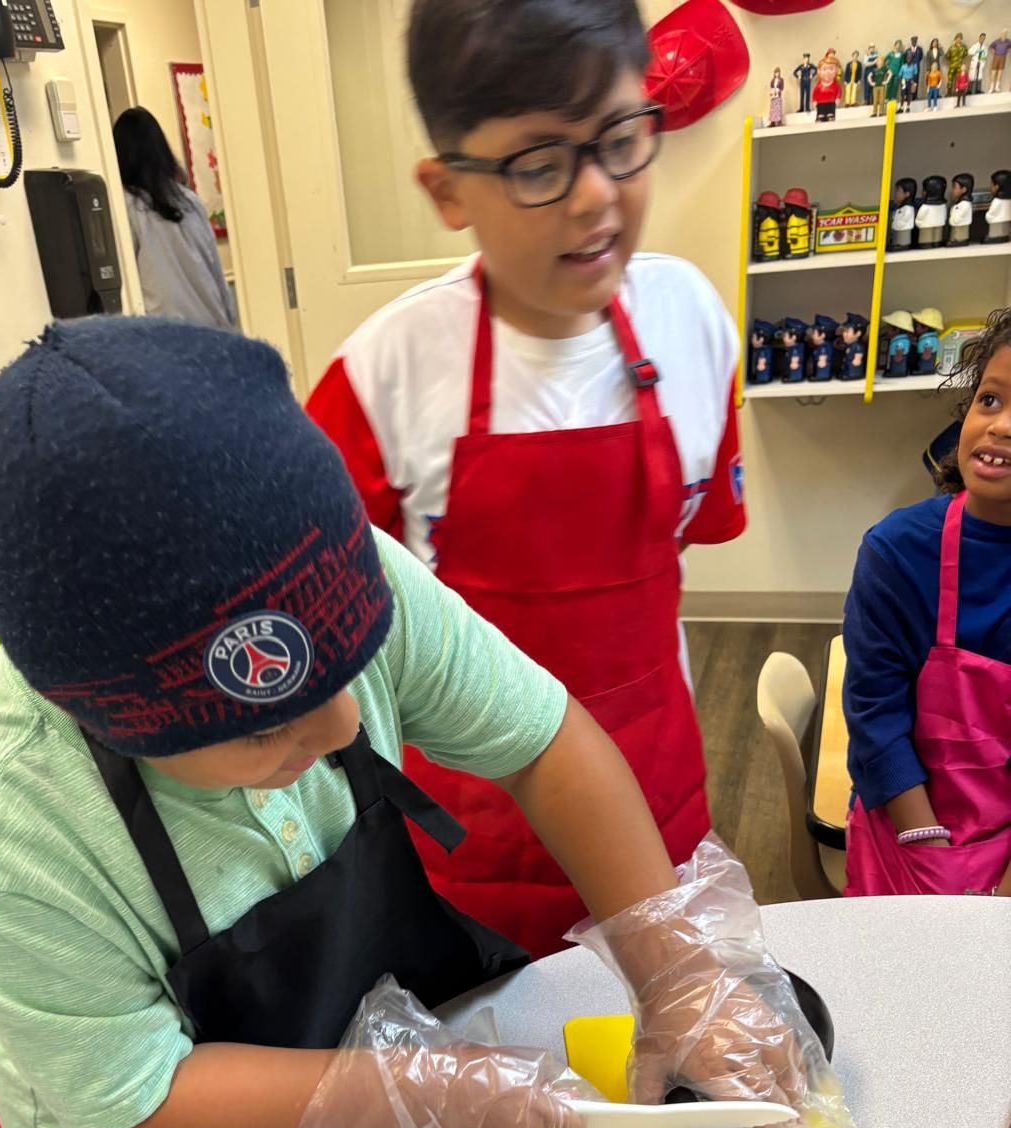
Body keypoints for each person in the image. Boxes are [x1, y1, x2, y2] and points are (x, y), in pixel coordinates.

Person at [0, 317, 806, 1128]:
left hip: (374, 1071)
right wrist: (408, 1097)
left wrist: (676, 974)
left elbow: (543, 743)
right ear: (109, 719)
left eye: (353, 668)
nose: (346, 729)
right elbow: (141, 1100)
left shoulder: (331, 572)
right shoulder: (2, 831)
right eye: (265, 728)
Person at [305, 0, 746, 960]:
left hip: (659, 809)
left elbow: (694, 531)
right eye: (539, 165)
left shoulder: (695, 323)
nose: (595, 197)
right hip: (473, 853)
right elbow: (336, 647)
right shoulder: (379, 378)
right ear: (446, 189)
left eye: (620, 141)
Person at [844, 309, 1011, 898]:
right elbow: (875, 714)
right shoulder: (896, 552)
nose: (1000, 426)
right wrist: (928, 849)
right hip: (912, 823)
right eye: (990, 399)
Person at [113, 107, 236, 330]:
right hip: (213, 329)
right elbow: (216, 274)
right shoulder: (190, 201)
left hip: (169, 336)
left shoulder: (126, 209)